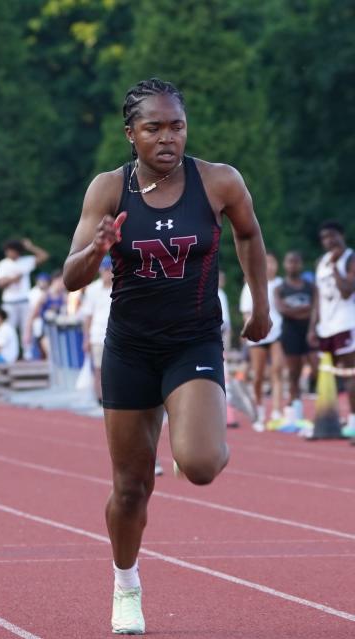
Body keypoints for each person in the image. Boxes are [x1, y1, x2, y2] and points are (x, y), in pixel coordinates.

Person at [62, 78, 271, 635]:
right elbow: (70, 277)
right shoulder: (109, 190)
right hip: (130, 347)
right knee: (131, 488)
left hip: (193, 339)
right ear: (130, 134)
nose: (167, 137)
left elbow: (249, 236)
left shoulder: (220, 181)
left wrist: (260, 305)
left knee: (200, 463)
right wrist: (98, 248)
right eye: (153, 127)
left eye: (175, 125)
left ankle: (189, 436)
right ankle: (125, 584)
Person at [308, 220, 355, 436]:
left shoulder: (350, 258)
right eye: (324, 237)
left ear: (341, 235)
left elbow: (346, 290)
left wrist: (336, 266)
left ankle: (353, 421)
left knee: (350, 374)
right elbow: (317, 297)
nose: (328, 241)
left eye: (332, 236)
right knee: (326, 374)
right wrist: (312, 327)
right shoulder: (321, 261)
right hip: (326, 326)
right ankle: (331, 421)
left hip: (346, 323)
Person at [239, 253, 285, 431]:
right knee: (258, 376)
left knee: (277, 370)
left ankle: (276, 411)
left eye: (273, 263)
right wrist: (247, 332)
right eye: (266, 263)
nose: (270, 266)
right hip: (258, 333)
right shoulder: (252, 284)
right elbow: (245, 312)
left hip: (278, 332)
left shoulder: (280, 285)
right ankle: (259, 411)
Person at [273, 251, 315, 424]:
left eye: (296, 262)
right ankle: (294, 409)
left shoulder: (310, 287)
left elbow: (314, 309)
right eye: (290, 262)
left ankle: (320, 408)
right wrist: (303, 310)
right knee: (293, 373)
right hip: (290, 333)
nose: (293, 265)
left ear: (301, 264)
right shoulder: (280, 288)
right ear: (285, 264)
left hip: (310, 332)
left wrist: (297, 311)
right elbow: (282, 310)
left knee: (317, 368)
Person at [0, 237, 49, 336]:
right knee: (8, 330)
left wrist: (30, 247)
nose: (8, 253)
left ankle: (28, 351)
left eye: (10, 251)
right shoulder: (3, 264)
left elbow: (44, 256)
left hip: (24, 301)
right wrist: (12, 280)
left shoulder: (26, 261)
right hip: (9, 302)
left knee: (27, 329)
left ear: (17, 251)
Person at [80, 255, 114, 402]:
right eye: (105, 270)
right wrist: (86, 338)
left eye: (110, 269)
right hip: (98, 333)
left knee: (116, 369)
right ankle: (100, 398)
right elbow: (87, 315)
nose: (108, 273)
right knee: (98, 368)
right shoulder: (93, 289)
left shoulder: (122, 286)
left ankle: (114, 397)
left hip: (117, 334)